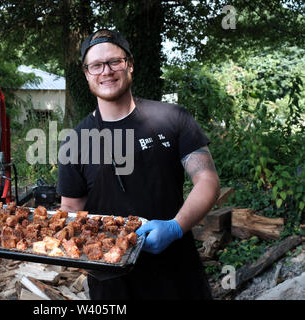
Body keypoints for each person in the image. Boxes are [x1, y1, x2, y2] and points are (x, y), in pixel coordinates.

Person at [56, 29, 220, 299]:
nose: (106, 71)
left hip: (178, 271)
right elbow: (72, 211)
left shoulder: (173, 118)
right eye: (96, 65)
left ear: (130, 65)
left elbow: (207, 180)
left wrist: (176, 226)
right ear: (86, 73)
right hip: (112, 281)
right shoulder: (75, 141)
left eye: (114, 62)